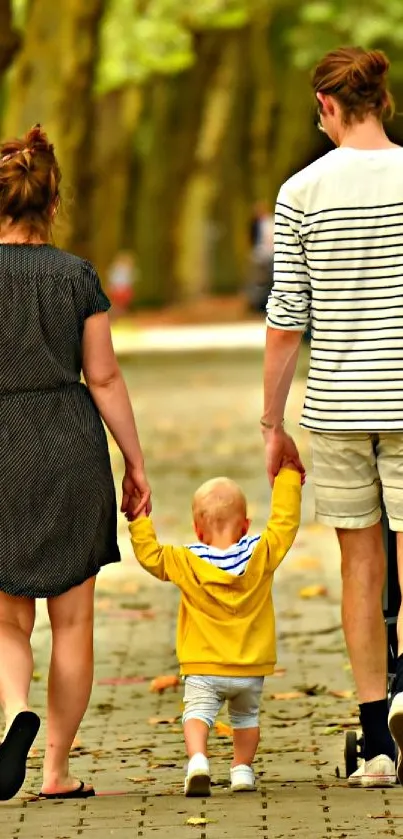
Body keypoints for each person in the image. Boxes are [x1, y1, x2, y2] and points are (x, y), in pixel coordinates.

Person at [262, 45, 403, 787]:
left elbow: (286, 319)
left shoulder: (301, 191)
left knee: (358, 565)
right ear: (379, 100)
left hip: (340, 405)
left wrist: (270, 422)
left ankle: (376, 740)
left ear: (325, 107)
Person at [0, 125, 150, 800]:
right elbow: (106, 378)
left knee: (6, 618)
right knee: (73, 621)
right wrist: (135, 462)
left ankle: (12, 713)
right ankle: (56, 769)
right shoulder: (77, 276)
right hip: (67, 444)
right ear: (52, 202)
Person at [128, 467, 301, 796]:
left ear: (197, 529)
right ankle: (242, 770)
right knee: (246, 718)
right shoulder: (261, 553)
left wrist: (139, 519)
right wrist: (288, 478)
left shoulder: (186, 560)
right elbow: (285, 525)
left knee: (196, 714)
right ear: (246, 526)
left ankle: (197, 761)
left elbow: (150, 556)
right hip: (250, 667)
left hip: (203, 667)